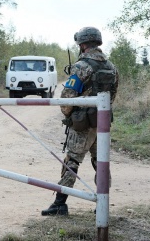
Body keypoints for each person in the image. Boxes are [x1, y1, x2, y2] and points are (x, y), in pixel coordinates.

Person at [41, 26, 119, 216]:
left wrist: (69, 115)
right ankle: (103, 204)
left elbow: (67, 97)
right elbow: (112, 95)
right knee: (100, 161)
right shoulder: (111, 67)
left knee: (72, 160)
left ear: (83, 45)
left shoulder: (81, 66)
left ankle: (60, 204)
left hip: (82, 123)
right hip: (101, 122)